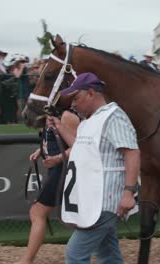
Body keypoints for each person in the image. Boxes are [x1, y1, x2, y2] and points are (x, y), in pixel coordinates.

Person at [57, 72, 140, 264]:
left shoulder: (114, 117)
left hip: (104, 202)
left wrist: (129, 193)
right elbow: (79, 147)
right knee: (107, 254)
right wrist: (59, 127)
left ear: (91, 93)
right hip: (94, 200)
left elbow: (132, 152)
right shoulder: (89, 121)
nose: (73, 104)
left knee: (74, 254)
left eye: (76, 98)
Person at [17, 109, 80, 264]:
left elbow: (80, 146)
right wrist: (41, 150)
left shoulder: (67, 116)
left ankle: (27, 260)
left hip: (63, 171)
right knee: (76, 219)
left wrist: (57, 158)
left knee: (37, 212)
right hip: (58, 170)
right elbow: (56, 140)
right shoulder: (53, 115)